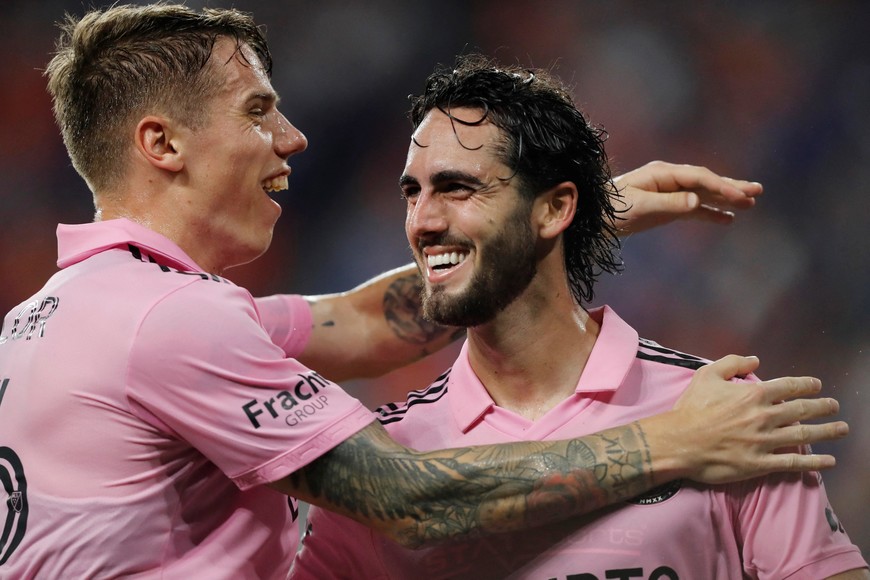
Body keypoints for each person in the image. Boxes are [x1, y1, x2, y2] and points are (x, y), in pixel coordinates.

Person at [0, 5, 849, 578]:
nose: (291, 139)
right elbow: (411, 500)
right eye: (256, 111)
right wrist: (674, 444)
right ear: (163, 143)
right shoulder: (172, 321)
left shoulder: (62, 318)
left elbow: (366, 323)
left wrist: (575, 214)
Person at [292, 55, 869, 579]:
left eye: (456, 188)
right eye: (411, 193)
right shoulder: (387, 451)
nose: (421, 221)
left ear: (555, 207)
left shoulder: (726, 410)